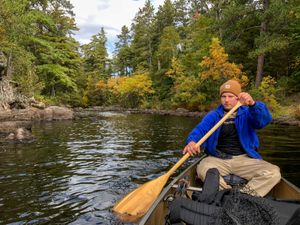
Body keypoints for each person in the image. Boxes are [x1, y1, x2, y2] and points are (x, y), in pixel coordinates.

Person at [183, 79, 281, 197]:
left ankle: (244, 197)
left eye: (230, 96)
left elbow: (264, 120)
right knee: (203, 169)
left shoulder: (248, 113)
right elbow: (200, 130)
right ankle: (227, 195)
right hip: (218, 159)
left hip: (244, 159)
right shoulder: (213, 115)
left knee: (273, 173)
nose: (226, 100)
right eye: (223, 96)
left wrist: (253, 104)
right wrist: (192, 142)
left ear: (238, 98)